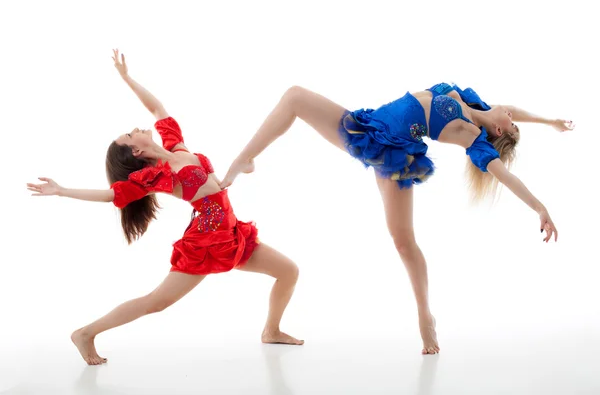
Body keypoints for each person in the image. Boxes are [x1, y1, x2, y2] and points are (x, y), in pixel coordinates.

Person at [220, 83, 574, 355]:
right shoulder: (477, 103)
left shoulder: (474, 137)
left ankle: (425, 315)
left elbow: (505, 175)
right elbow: (510, 109)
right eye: (513, 121)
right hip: (370, 124)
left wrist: (539, 207)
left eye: (511, 125)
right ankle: (245, 158)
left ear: (498, 133)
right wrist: (549, 121)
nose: (510, 116)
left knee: (404, 241)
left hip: (392, 154)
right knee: (295, 96)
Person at [26, 49, 304, 366]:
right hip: (205, 244)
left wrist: (127, 78)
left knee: (289, 271)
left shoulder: (177, 145)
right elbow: (109, 196)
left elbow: (156, 107)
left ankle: (271, 330)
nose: (137, 128)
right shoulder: (158, 177)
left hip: (232, 233)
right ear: (136, 151)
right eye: (131, 134)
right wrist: (61, 191)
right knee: (156, 302)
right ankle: (86, 333)